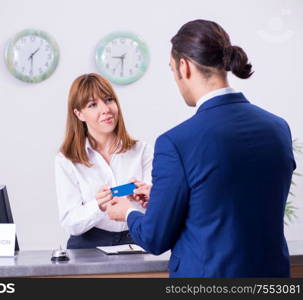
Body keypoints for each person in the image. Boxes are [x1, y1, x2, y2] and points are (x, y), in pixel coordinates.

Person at [106, 19, 296, 277]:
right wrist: (162, 199)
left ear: (183, 67)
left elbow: (154, 238)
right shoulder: (278, 128)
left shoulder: (176, 142)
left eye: (172, 69)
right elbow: (232, 199)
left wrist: (127, 213)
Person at [55, 73, 153, 249]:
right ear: (79, 114)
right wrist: (97, 205)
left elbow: (158, 208)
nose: (105, 109)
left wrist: (148, 196)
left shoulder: (141, 150)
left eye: (108, 100)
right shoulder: (66, 159)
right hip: (88, 245)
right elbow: (70, 222)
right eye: (93, 105)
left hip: (137, 239)